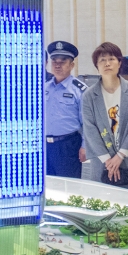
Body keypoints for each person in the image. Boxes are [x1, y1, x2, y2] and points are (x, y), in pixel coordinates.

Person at [82, 42, 128, 191]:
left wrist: (120, 156)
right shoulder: (89, 96)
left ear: (119, 62)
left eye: (111, 59)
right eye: (102, 60)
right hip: (102, 162)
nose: (107, 63)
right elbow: (90, 129)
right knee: (102, 199)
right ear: (97, 66)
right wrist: (108, 161)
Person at [44, 41, 88, 178]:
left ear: (72, 65)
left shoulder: (80, 90)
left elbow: (87, 122)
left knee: (69, 186)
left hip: (68, 146)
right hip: (44, 146)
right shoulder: (44, 87)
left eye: (63, 61)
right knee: (47, 185)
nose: (57, 65)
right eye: (54, 61)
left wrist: (85, 146)